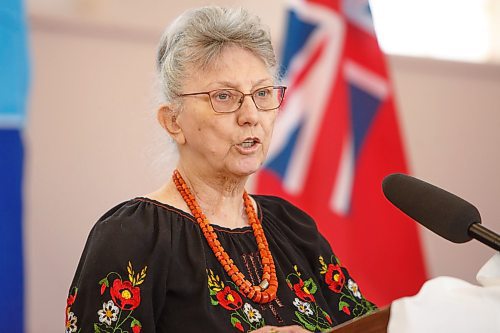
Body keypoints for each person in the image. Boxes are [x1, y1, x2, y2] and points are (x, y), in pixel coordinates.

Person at [65, 6, 376, 333]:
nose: (251, 115)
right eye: (224, 96)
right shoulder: (132, 237)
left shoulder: (293, 229)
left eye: (262, 93)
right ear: (173, 122)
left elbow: (370, 327)